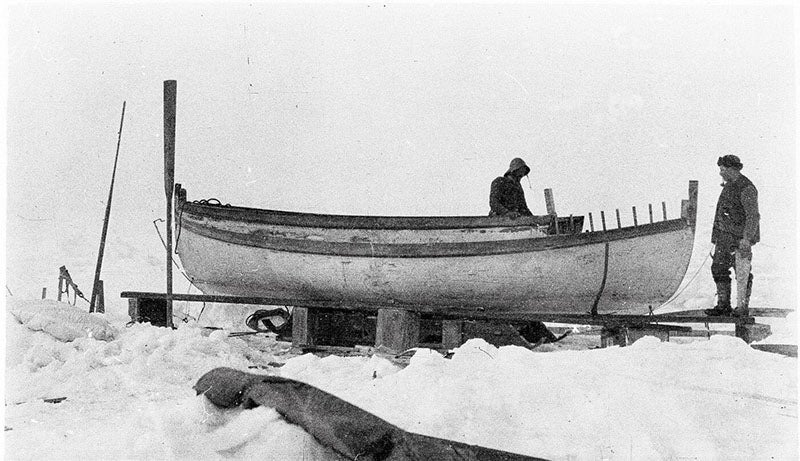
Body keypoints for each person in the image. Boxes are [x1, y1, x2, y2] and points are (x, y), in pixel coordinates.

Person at [705, 155, 760, 317]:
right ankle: (723, 305)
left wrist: (747, 239)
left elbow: (753, 216)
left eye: (723, 170)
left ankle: (742, 307)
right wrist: (716, 238)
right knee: (718, 268)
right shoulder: (729, 186)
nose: (720, 173)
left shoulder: (746, 188)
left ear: (732, 169)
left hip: (739, 239)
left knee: (742, 272)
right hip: (724, 238)